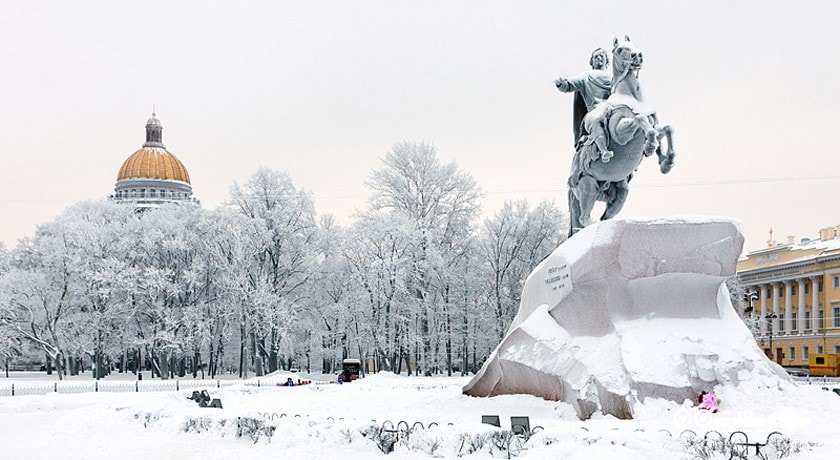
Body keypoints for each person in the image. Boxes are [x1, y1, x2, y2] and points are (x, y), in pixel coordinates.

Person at [555, 47, 613, 164]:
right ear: (592, 63)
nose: (599, 58)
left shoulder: (614, 77)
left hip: (611, 110)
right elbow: (570, 84)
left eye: (602, 56)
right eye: (596, 57)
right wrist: (562, 84)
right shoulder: (586, 76)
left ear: (607, 61)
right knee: (595, 121)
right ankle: (604, 150)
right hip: (595, 111)